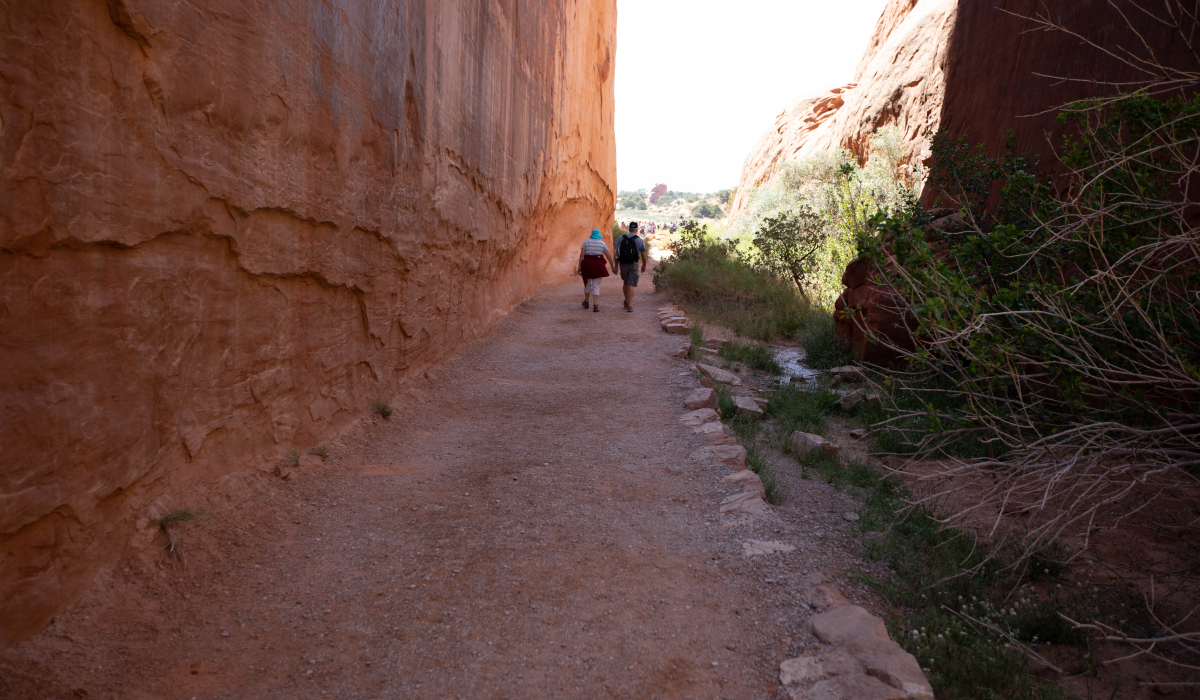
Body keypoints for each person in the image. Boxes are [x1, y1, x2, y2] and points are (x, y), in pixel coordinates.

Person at [577, 229, 615, 312]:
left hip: (587, 264)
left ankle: (586, 302)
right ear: (599, 235)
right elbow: (608, 256)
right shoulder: (602, 243)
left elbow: (582, 255)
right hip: (598, 265)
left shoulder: (586, 242)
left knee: (587, 284)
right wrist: (612, 266)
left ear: (592, 234)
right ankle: (595, 305)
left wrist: (579, 266)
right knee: (596, 285)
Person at [614, 221, 648, 312]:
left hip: (623, 263)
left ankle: (626, 301)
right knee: (631, 283)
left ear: (629, 229)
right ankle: (629, 305)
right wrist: (644, 265)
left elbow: (617, 253)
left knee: (625, 282)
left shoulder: (622, 237)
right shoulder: (640, 239)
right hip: (633, 264)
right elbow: (643, 255)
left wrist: (616, 266)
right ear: (637, 230)